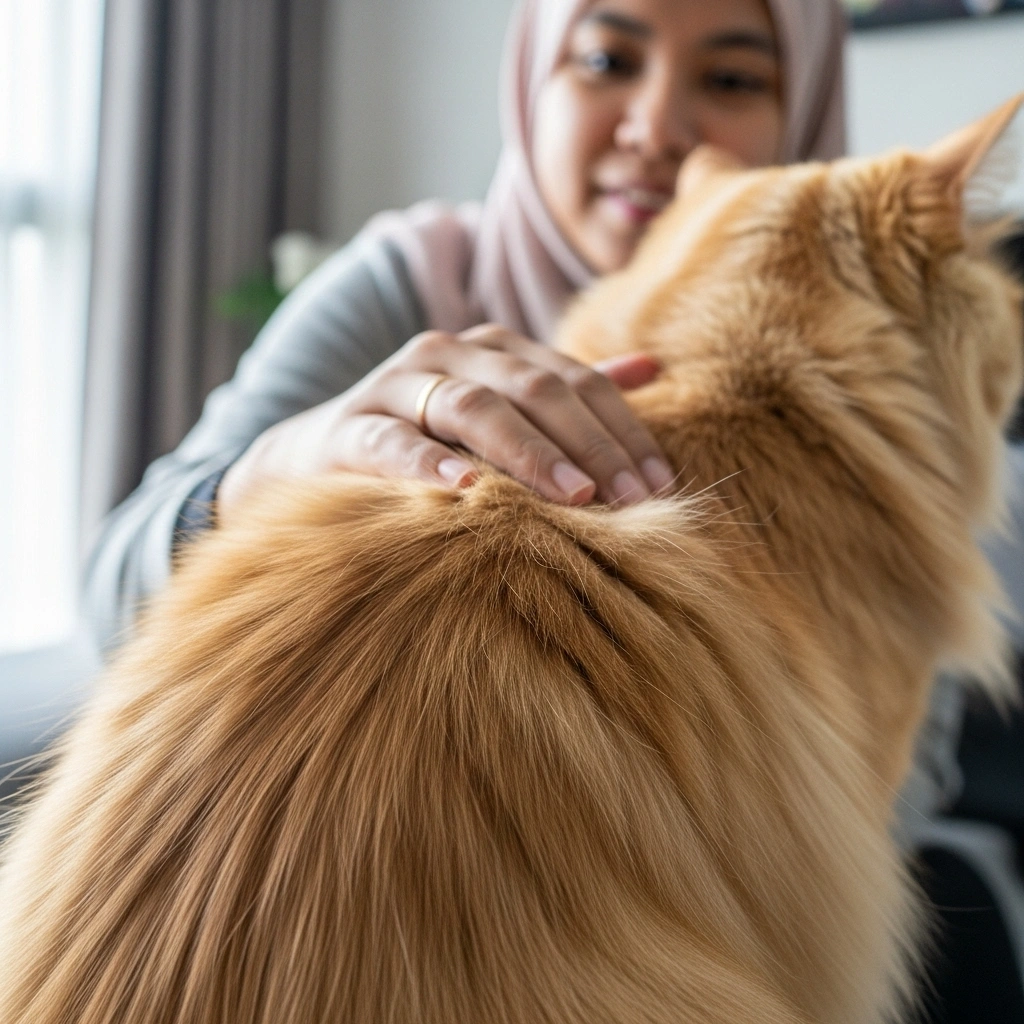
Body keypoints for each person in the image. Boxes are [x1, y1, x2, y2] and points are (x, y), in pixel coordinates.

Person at [84, 0, 846, 654]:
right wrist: (283, 466)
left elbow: (897, 755)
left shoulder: (857, 383)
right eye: (607, 61)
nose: (655, 129)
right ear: (532, 80)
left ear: (806, 112)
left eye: (731, 80)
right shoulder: (410, 285)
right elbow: (110, 601)